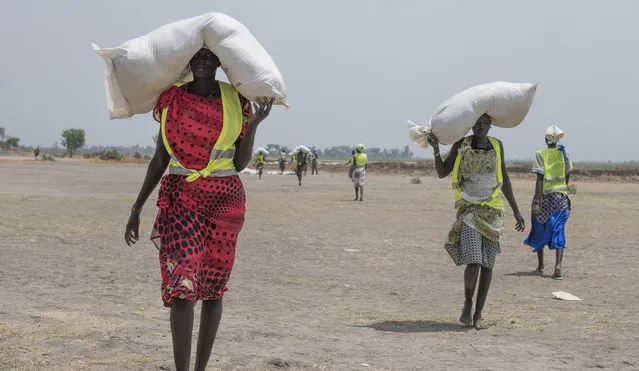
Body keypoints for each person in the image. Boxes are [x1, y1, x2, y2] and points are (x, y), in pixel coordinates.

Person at [123, 48, 273, 371]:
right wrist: (137, 208)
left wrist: (256, 125)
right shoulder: (172, 102)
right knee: (181, 288)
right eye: (198, 54)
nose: (203, 59)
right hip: (182, 199)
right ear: (188, 62)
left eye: (210, 54)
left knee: (213, 290)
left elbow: (240, 162)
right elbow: (159, 160)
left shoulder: (236, 100)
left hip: (225, 202)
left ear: (220, 61)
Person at [427, 114, 525, 330]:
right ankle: (468, 303)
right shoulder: (462, 144)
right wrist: (435, 149)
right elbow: (443, 171)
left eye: (485, 124)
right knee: (474, 262)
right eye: (477, 124)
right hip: (469, 210)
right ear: (472, 125)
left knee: (488, 265)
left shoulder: (497, 146)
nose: (481, 127)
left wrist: (516, 210)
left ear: (491, 125)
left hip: (493, 211)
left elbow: (505, 179)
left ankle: (479, 314)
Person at [524, 125, 573, 280]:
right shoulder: (564, 153)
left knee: (539, 225)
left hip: (546, 197)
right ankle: (558, 265)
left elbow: (540, 179)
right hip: (561, 198)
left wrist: (537, 201)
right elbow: (567, 175)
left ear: (546, 139)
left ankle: (541, 265)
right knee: (558, 229)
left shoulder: (541, 154)